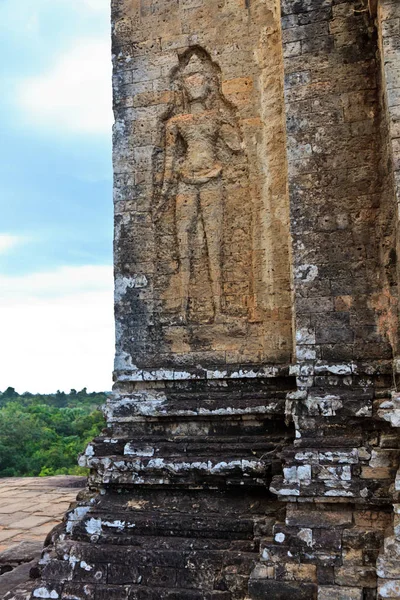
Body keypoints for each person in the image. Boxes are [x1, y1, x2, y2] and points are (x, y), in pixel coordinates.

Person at [154, 49, 243, 324]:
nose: (194, 85)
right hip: (184, 182)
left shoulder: (216, 116)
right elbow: (168, 162)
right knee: (184, 245)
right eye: (189, 81)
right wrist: (161, 197)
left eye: (199, 80)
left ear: (209, 83)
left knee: (214, 246)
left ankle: (219, 310)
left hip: (213, 179)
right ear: (182, 85)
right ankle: (182, 311)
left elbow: (237, 146)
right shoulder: (174, 123)